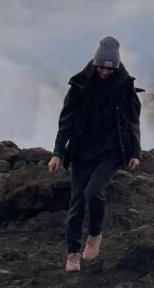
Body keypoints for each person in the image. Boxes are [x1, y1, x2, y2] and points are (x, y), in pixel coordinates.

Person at [47, 37, 142, 273]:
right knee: (76, 202)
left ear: (116, 66)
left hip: (110, 152)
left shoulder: (124, 86)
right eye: (101, 67)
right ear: (95, 64)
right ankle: (73, 253)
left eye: (110, 68)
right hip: (81, 151)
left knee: (93, 192)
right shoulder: (80, 85)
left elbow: (132, 121)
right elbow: (66, 121)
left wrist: (135, 152)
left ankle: (95, 233)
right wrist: (58, 153)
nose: (105, 72)